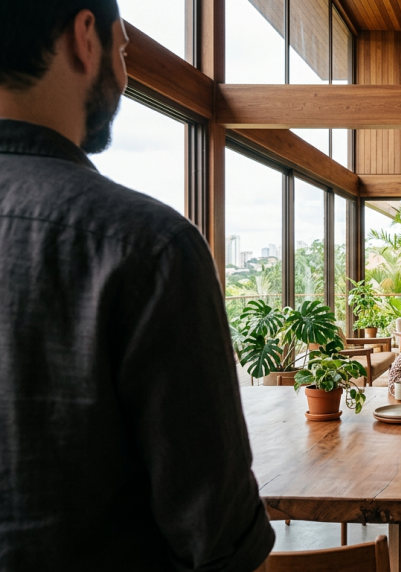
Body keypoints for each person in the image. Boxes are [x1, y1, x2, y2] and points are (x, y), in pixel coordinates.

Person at [0, 2, 274, 570]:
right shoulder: (148, 245)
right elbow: (217, 535)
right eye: (122, 49)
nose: (124, 76)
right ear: (84, 36)